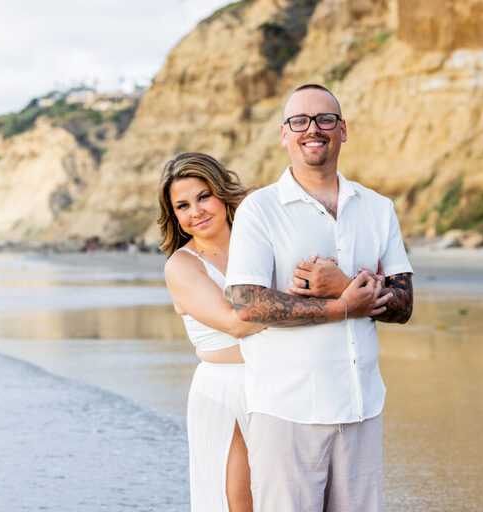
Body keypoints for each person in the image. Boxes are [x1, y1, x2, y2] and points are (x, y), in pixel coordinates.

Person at [225, 84, 414, 512]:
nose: (313, 129)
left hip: (361, 406)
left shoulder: (377, 207)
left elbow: (404, 303)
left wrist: (341, 283)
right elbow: (249, 304)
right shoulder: (260, 209)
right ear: (284, 134)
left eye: (325, 119)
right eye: (300, 121)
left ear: (342, 130)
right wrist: (345, 305)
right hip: (286, 409)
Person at [158, 152, 262, 512]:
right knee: (237, 500)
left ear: (222, 192)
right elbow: (236, 322)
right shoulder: (182, 266)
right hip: (225, 391)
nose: (196, 212)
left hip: (278, 379)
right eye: (182, 206)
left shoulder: (261, 242)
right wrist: (320, 306)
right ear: (174, 215)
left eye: (204, 196)